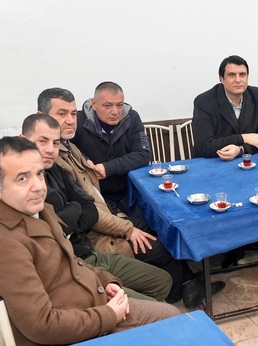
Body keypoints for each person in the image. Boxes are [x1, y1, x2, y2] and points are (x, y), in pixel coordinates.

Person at [0, 136, 179, 346]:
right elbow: (42, 326)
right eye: (22, 178)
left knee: (171, 316)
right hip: (68, 340)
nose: (38, 186)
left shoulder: (33, 209)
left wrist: (104, 281)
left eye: (39, 174)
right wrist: (108, 315)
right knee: (172, 327)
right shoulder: (0, 245)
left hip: (89, 302)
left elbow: (70, 259)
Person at [37, 88, 225, 308]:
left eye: (72, 113)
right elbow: (86, 213)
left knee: (158, 222)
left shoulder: (69, 146)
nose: (70, 120)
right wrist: (126, 228)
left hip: (112, 206)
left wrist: (106, 176)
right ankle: (177, 289)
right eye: (61, 114)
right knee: (157, 244)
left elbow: (142, 156)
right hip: (94, 238)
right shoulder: (52, 160)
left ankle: (186, 281)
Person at [22, 113, 177, 303]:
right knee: (155, 304)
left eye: (55, 143)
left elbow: (89, 209)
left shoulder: (57, 168)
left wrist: (73, 214)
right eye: (42, 141)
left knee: (163, 280)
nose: (50, 149)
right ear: (23, 140)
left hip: (90, 250)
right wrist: (76, 211)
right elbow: (56, 228)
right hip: (73, 265)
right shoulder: (26, 187)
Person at [71, 81, 150, 210]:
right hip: (94, 193)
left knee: (151, 218)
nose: (115, 112)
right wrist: (84, 160)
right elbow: (67, 149)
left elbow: (143, 154)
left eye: (119, 105)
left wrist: (108, 168)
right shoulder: (77, 120)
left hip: (130, 189)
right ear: (94, 104)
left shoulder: (132, 117)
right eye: (107, 105)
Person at [193, 55, 258, 160]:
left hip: (247, 160)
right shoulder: (204, 101)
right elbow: (206, 147)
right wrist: (244, 138)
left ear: (247, 77)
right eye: (232, 75)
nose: (238, 80)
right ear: (222, 79)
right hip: (212, 162)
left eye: (242, 75)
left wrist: (241, 149)